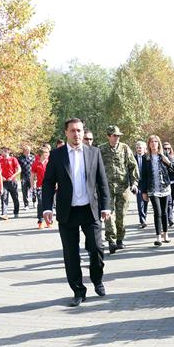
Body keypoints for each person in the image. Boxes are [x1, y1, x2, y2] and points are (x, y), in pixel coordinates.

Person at [42, 118, 111, 307]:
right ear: (66, 133)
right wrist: (47, 207)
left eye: (79, 130)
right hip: (68, 212)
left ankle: (97, 280)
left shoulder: (94, 153)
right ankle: (78, 290)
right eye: (72, 130)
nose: (77, 134)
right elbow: (48, 183)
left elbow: (102, 182)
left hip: (91, 210)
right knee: (71, 254)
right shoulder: (57, 156)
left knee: (97, 249)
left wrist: (106, 206)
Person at [99, 125, 139, 254]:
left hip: (122, 186)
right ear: (108, 136)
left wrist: (134, 182)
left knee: (121, 214)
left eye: (118, 136)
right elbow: (95, 168)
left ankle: (120, 239)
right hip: (107, 187)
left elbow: (133, 165)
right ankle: (111, 240)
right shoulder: (101, 149)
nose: (117, 138)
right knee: (108, 214)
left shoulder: (125, 148)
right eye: (114, 135)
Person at [140, 135, 174, 246]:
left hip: (165, 187)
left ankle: (165, 234)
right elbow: (144, 175)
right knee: (158, 212)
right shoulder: (146, 157)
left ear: (158, 143)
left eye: (155, 142)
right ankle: (158, 237)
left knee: (164, 212)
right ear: (149, 144)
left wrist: (167, 161)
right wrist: (144, 191)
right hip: (152, 189)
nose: (153, 143)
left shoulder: (164, 155)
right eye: (151, 142)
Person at [0, 148, 21, 220]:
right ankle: (4, 213)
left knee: (15, 198)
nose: (2, 153)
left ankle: (16, 212)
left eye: (3, 151)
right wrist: (1, 177)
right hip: (4, 182)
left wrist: (12, 177)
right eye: (1, 152)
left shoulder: (13, 159)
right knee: (4, 197)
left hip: (12, 181)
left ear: (8, 152)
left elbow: (19, 170)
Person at [31, 146, 50, 229]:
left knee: (49, 204)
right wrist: (32, 186)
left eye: (48, 153)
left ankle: (49, 221)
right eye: (46, 153)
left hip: (50, 186)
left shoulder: (50, 162)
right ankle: (40, 221)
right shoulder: (36, 163)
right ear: (41, 154)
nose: (47, 154)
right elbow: (32, 176)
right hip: (40, 186)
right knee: (41, 203)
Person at [163, 141, 174, 227]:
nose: (167, 150)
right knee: (168, 201)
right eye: (165, 148)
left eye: (169, 148)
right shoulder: (160, 158)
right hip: (165, 183)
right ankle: (169, 218)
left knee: (171, 200)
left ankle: (169, 216)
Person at [134, 141, 148, 228]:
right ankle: (142, 220)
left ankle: (144, 217)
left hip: (146, 182)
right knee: (140, 202)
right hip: (137, 183)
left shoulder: (147, 158)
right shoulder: (133, 158)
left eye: (140, 147)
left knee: (145, 201)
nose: (139, 149)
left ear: (144, 149)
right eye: (137, 147)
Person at [18, 145, 35, 211]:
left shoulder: (33, 157)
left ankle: (34, 201)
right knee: (24, 191)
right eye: (26, 150)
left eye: (28, 150)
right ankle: (26, 204)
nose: (27, 151)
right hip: (24, 176)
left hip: (32, 176)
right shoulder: (20, 158)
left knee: (33, 189)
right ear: (24, 151)